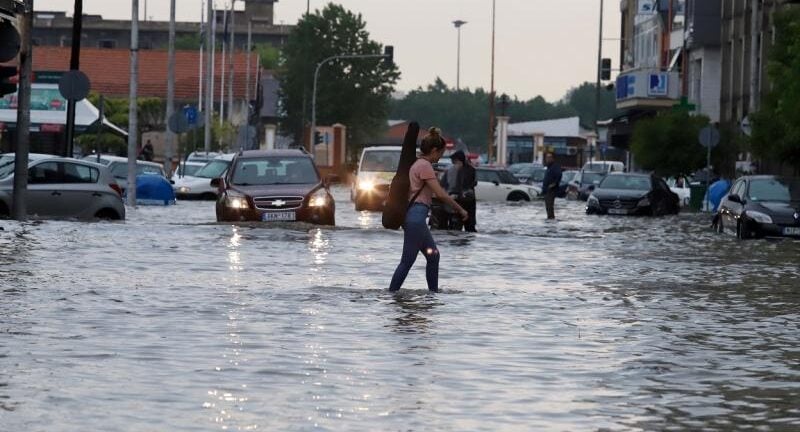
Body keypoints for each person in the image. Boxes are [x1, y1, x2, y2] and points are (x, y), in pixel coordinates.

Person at [389, 128, 468, 293]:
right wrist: (461, 210)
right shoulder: (425, 166)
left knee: (433, 256)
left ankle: (433, 295)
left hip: (415, 217)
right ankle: (391, 295)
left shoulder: (418, 164)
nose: (440, 157)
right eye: (440, 153)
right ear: (433, 150)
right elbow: (440, 194)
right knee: (407, 261)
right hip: (416, 218)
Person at [542, 152, 562, 220]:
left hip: (551, 190)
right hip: (547, 190)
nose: (547, 159)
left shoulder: (555, 167)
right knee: (548, 207)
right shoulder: (549, 167)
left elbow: (559, 175)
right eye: (546, 158)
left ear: (552, 158)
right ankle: (549, 219)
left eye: (549, 157)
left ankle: (551, 219)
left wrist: (553, 184)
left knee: (550, 206)